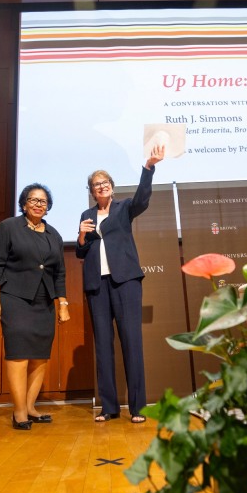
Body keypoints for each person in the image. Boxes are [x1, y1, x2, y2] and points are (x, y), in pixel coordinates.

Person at [77, 145, 165, 423]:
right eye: (96, 185)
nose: (101, 187)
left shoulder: (125, 207)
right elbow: (82, 252)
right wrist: (80, 237)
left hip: (125, 281)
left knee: (131, 342)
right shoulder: (86, 215)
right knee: (103, 346)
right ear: (92, 191)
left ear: (112, 188)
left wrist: (148, 167)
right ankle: (109, 407)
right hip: (96, 285)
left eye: (105, 183)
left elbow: (142, 199)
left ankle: (138, 407)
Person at [0, 183, 70, 430]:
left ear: (48, 207)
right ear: (24, 204)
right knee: (18, 353)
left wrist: (62, 304)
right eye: (33, 200)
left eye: (43, 201)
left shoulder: (53, 234)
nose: (38, 204)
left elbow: (60, 273)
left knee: (40, 356)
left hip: (44, 300)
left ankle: (31, 406)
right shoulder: (9, 227)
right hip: (14, 297)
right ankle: (19, 411)